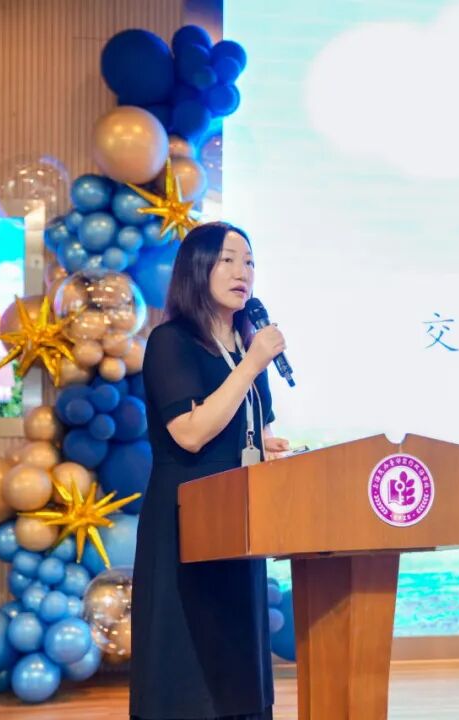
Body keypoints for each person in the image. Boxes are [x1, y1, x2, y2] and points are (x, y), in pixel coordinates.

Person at [130, 221, 290, 720]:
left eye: (250, 262)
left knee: (238, 666)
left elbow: (249, 427)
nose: (243, 272)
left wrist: (265, 446)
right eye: (228, 260)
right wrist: (251, 366)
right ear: (198, 268)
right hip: (187, 522)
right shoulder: (171, 341)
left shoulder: (245, 347)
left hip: (239, 524)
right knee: (189, 670)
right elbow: (190, 432)